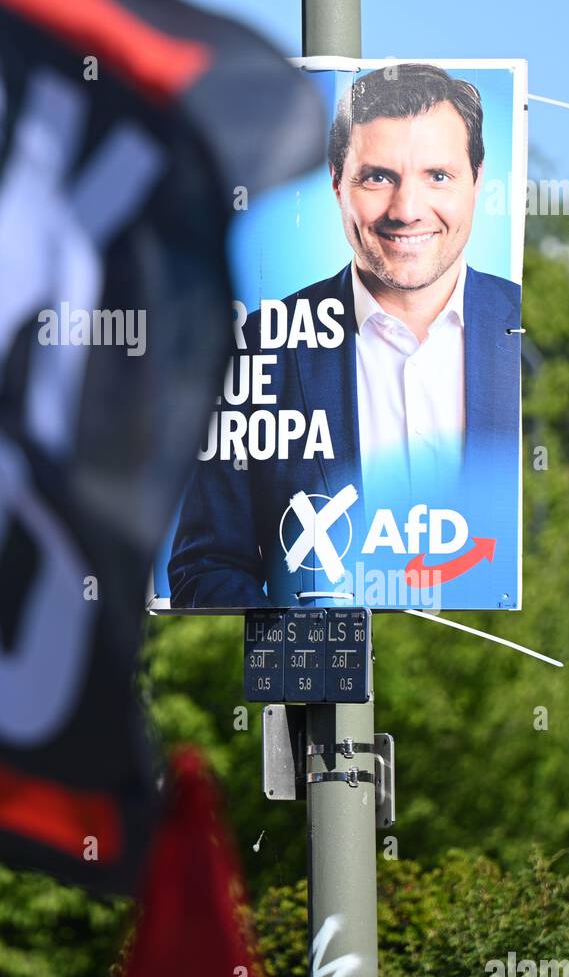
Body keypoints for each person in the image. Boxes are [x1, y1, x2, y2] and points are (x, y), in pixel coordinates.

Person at [168, 63, 521, 610]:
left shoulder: (534, 340)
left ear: (478, 180)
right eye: (378, 177)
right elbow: (206, 566)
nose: (406, 210)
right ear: (337, 182)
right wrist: (310, 653)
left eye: (438, 176)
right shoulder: (261, 349)